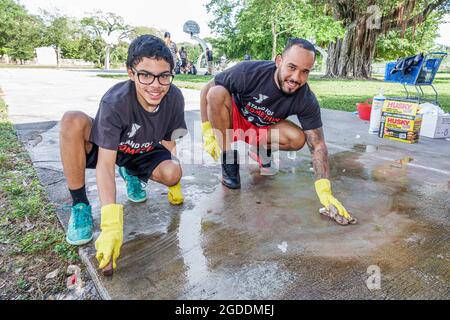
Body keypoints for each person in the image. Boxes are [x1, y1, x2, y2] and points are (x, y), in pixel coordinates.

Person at [59, 35, 187, 273]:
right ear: (130, 72)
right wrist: (111, 225)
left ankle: (131, 173)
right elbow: (105, 165)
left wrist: (175, 181)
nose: (156, 85)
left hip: (142, 151)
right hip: (111, 148)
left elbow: (169, 141)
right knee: (72, 120)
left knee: (172, 172)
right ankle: (79, 206)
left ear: (171, 73)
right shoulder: (115, 101)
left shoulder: (175, 97)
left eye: (164, 76)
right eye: (145, 75)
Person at [199, 38, 356, 225]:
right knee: (216, 93)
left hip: (261, 128)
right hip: (233, 120)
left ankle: (259, 148)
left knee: (298, 139)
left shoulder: (306, 98)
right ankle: (228, 160)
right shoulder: (248, 71)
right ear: (279, 61)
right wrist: (207, 131)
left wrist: (325, 191)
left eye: (304, 71)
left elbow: (317, 144)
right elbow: (206, 89)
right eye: (292, 67)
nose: (296, 77)